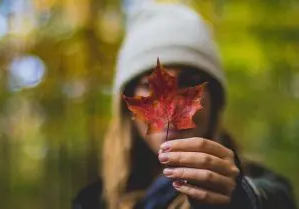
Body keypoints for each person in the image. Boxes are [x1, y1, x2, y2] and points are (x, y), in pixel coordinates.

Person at [72, 2, 297, 209]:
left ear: (214, 101)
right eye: (149, 84)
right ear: (128, 105)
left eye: (190, 82)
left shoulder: (262, 186)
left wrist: (242, 198)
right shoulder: (92, 201)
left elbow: (274, 198)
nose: (172, 104)